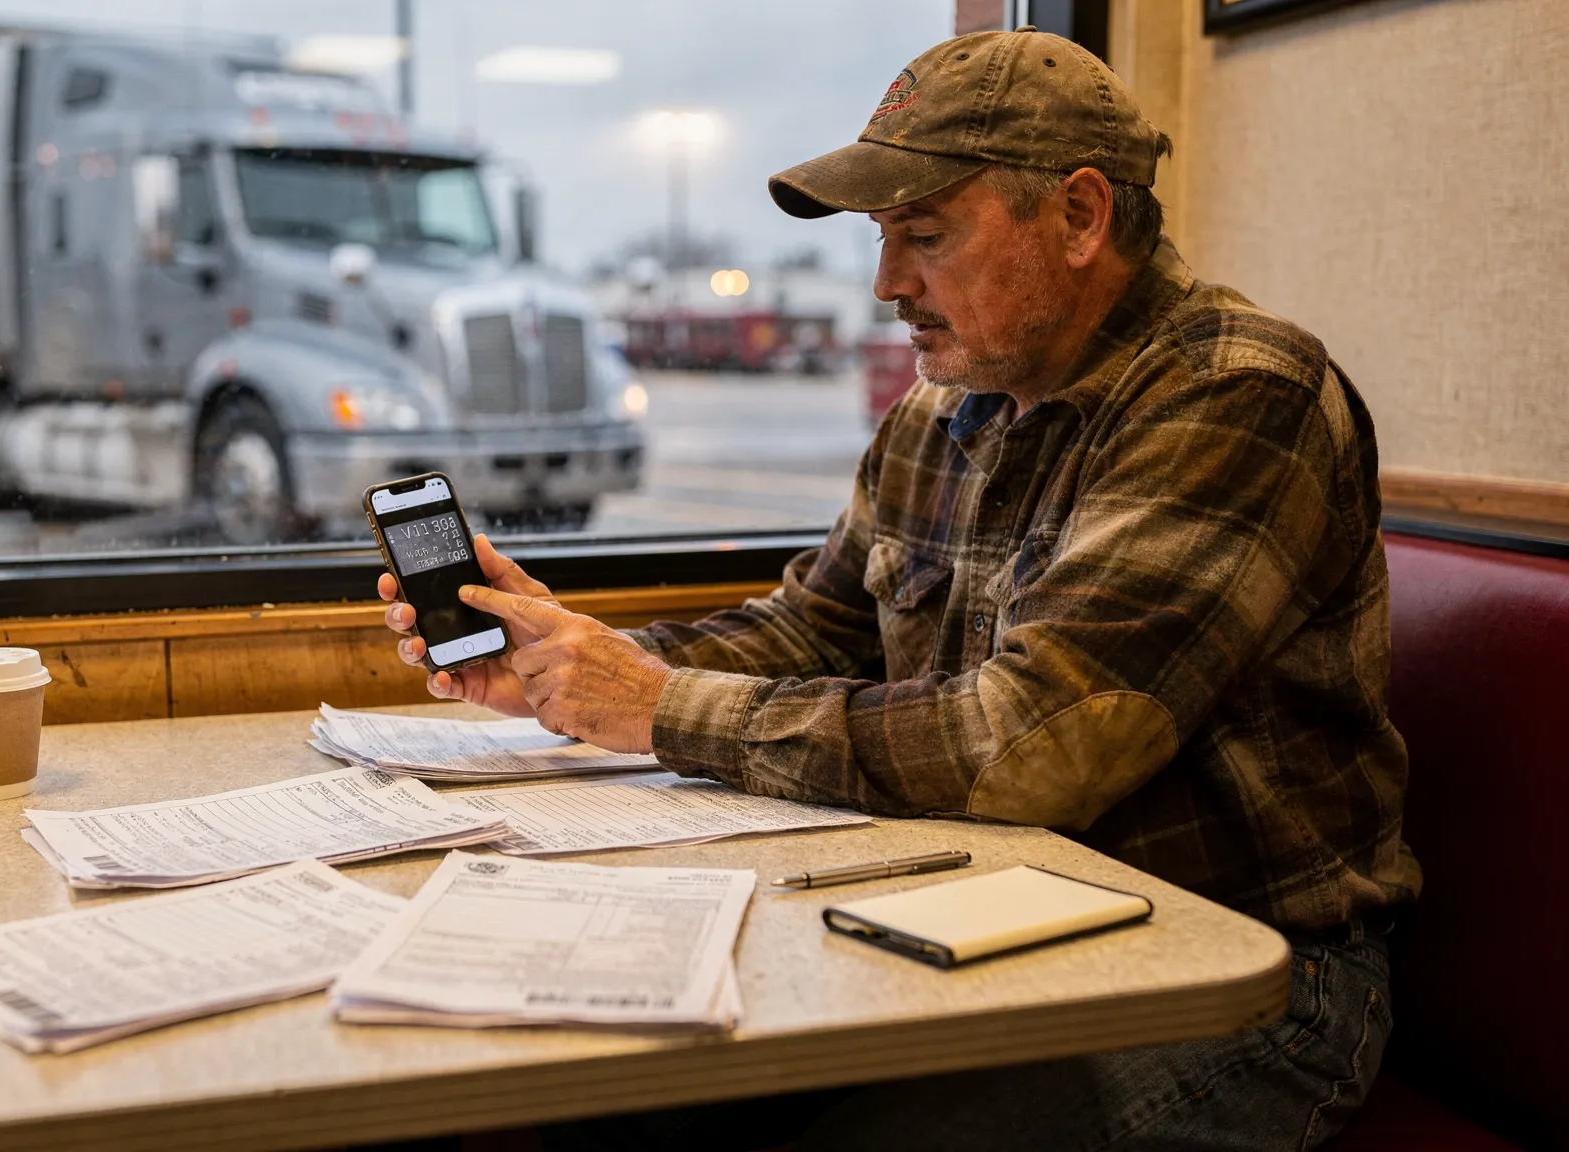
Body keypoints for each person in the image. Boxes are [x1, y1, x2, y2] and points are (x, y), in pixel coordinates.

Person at [377, 26, 1418, 1151]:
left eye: (922, 235)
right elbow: (810, 629)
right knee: (594, 1103)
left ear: (1078, 217)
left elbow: (1034, 746)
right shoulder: (943, 409)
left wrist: (653, 704)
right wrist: (566, 663)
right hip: (978, 912)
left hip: (1240, 975)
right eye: (882, 239)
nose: (884, 285)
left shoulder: (1231, 396)